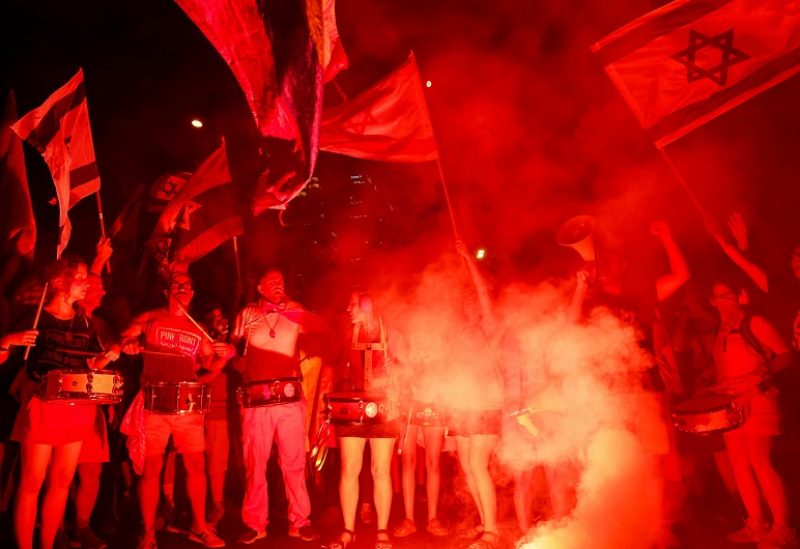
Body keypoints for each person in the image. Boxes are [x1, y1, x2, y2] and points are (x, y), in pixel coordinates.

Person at [1, 256, 119, 549]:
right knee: (32, 480)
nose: (86, 282)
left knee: (64, 479)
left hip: (77, 408)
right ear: (58, 282)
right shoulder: (35, 317)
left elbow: (91, 364)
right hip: (42, 406)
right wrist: (9, 339)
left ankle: (48, 543)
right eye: (79, 277)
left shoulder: (84, 322)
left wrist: (109, 355)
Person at [120, 271, 230, 549]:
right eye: (176, 285)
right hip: (154, 406)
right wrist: (129, 344)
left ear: (192, 293)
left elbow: (209, 366)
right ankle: (148, 534)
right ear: (166, 292)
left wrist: (224, 358)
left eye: (187, 286)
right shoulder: (151, 317)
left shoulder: (197, 329)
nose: (182, 288)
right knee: (151, 470)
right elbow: (124, 338)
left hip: (187, 409)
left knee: (196, 466)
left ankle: (200, 528)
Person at [230, 268, 319, 544]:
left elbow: (316, 334)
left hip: (290, 398)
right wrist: (238, 362)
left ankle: (300, 521)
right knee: (255, 463)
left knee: (293, 461)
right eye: (271, 281)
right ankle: (256, 524)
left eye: (281, 281)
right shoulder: (246, 314)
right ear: (259, 287)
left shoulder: (295, 310)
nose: (278, 284)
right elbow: (233, 351)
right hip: (256, 401)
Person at [708, 279, 796, 546]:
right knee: (739, 465)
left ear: (740, 296)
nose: (724, 300)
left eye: (729, 294)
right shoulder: (719, 329)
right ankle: (756, 524)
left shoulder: (754, 322)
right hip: (730, 405)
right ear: (712, 301)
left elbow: (785, 355)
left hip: (758, 401)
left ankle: (783, 529)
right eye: (718, 295)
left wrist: (760, 377)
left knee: (760, 462)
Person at [327, 291, 403, 549]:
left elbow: (406, 367)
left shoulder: (390, 333)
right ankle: (348, 531)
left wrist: (394, 376)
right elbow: (338, 366)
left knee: (380, 470)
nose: (348, 309)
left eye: (352, 304)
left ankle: (382, 531)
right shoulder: (348, 334)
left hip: (384, 407)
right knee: (349, 469)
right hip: (354, 406)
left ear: (367, 305)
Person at [451, 240, 502, 549]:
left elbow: (482, 292)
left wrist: (469, 259)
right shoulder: (460, 336)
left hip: (486, 404)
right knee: (467, 466)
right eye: (466, 302)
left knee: (478, 464)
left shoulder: (489, 328)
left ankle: (492, 532)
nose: (470, 306)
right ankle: (485, 524)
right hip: (464, 405)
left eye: (474, 302)